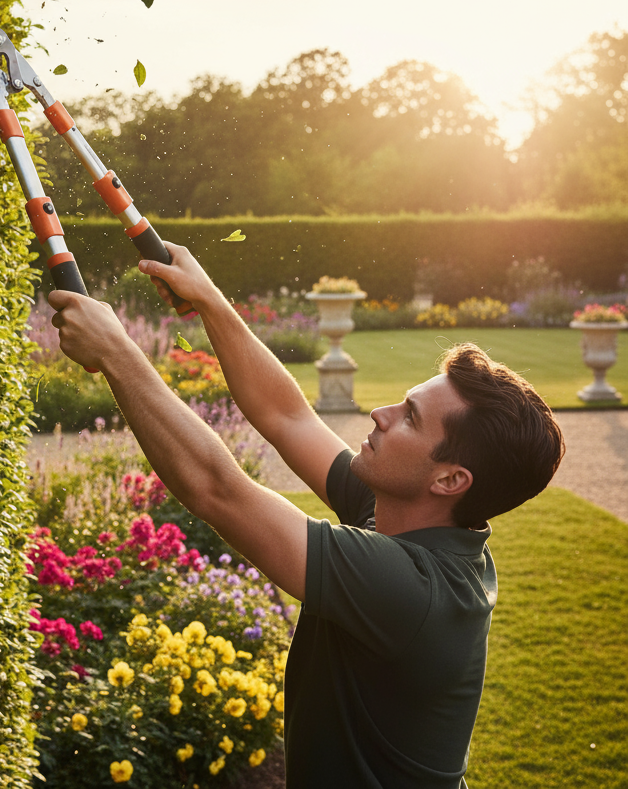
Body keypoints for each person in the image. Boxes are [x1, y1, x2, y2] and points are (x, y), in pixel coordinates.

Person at [47, 242, 565, 789]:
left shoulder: (412, 590)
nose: (380, 413)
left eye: (410, 418)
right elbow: (287, 416)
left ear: (449, 480)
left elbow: (217, 490)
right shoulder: (412, 514)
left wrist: (117, 352)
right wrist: (209, 301)